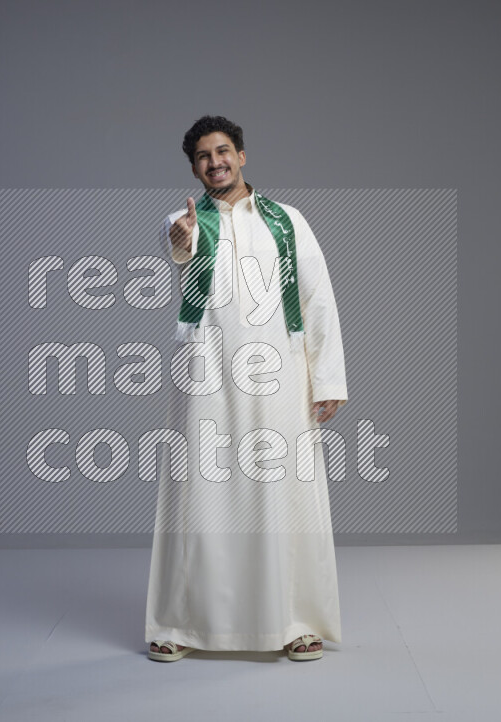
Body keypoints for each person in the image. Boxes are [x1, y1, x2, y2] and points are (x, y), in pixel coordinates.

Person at [145, 115, 348, 662]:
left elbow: (317, 297)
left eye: (223, 151)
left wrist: (327, 377)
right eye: (203, 156)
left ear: (241, 156)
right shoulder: (183, 220)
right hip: (205, 371)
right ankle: (180, 623)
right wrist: (180, 242)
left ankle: (295, 621)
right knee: (198, 492)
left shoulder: (288, 221)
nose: (215, 162)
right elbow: (178, 253)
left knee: (284, 492)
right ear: (194, 169)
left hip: (279, 372)